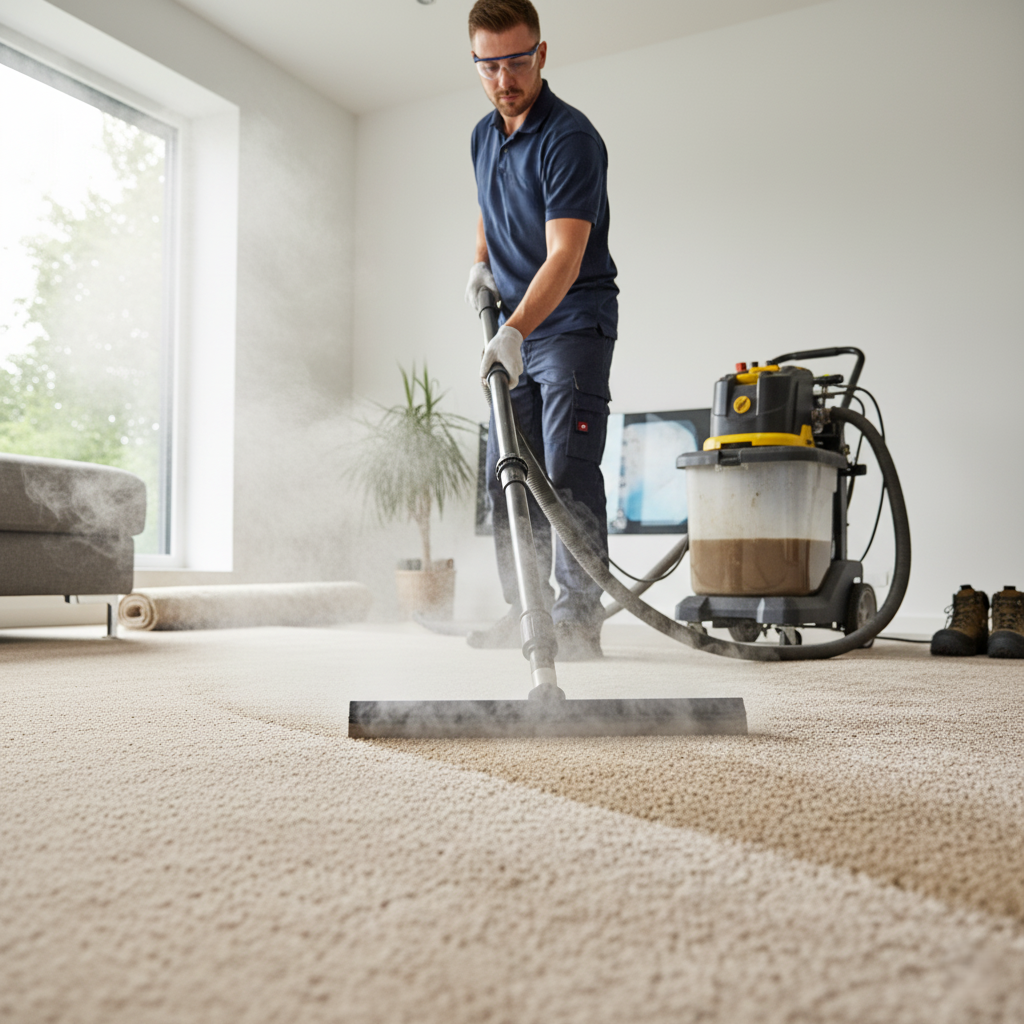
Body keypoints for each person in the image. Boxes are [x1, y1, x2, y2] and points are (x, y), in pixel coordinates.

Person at [464, 0, 618, 661]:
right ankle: (527, 610)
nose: (505, 79)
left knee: (565, 468)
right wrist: (480, 262)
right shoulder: (482, 134)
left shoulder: (569, 138)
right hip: (516, 325)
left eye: (517, 62)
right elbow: (487, 203)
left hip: (571, 320)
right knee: (508, 472)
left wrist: (515, 330)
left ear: (542, 54)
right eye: (489, 65)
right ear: (476, 64)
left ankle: (578, 619)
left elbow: (566, 256)